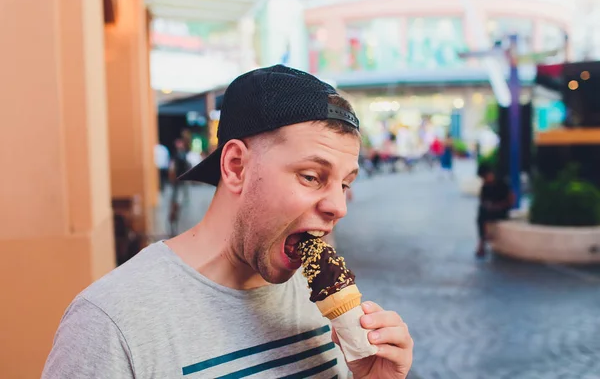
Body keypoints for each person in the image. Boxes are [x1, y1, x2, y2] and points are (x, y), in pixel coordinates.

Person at [42, 65, 413, 378]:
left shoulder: (315, 291)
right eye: (312, 176)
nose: (339, 206)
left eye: (345, 183)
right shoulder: (109, 325)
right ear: (236, 166)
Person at [476, 164, 515, 258]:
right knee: (481, 214)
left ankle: (482, 242)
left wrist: (499, 206)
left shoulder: (502, 184)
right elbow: (482, 200)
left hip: (501, 209)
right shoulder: (485, 187)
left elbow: (511, 199)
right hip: (490, 210)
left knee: (483, 214)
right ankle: (482, 241)